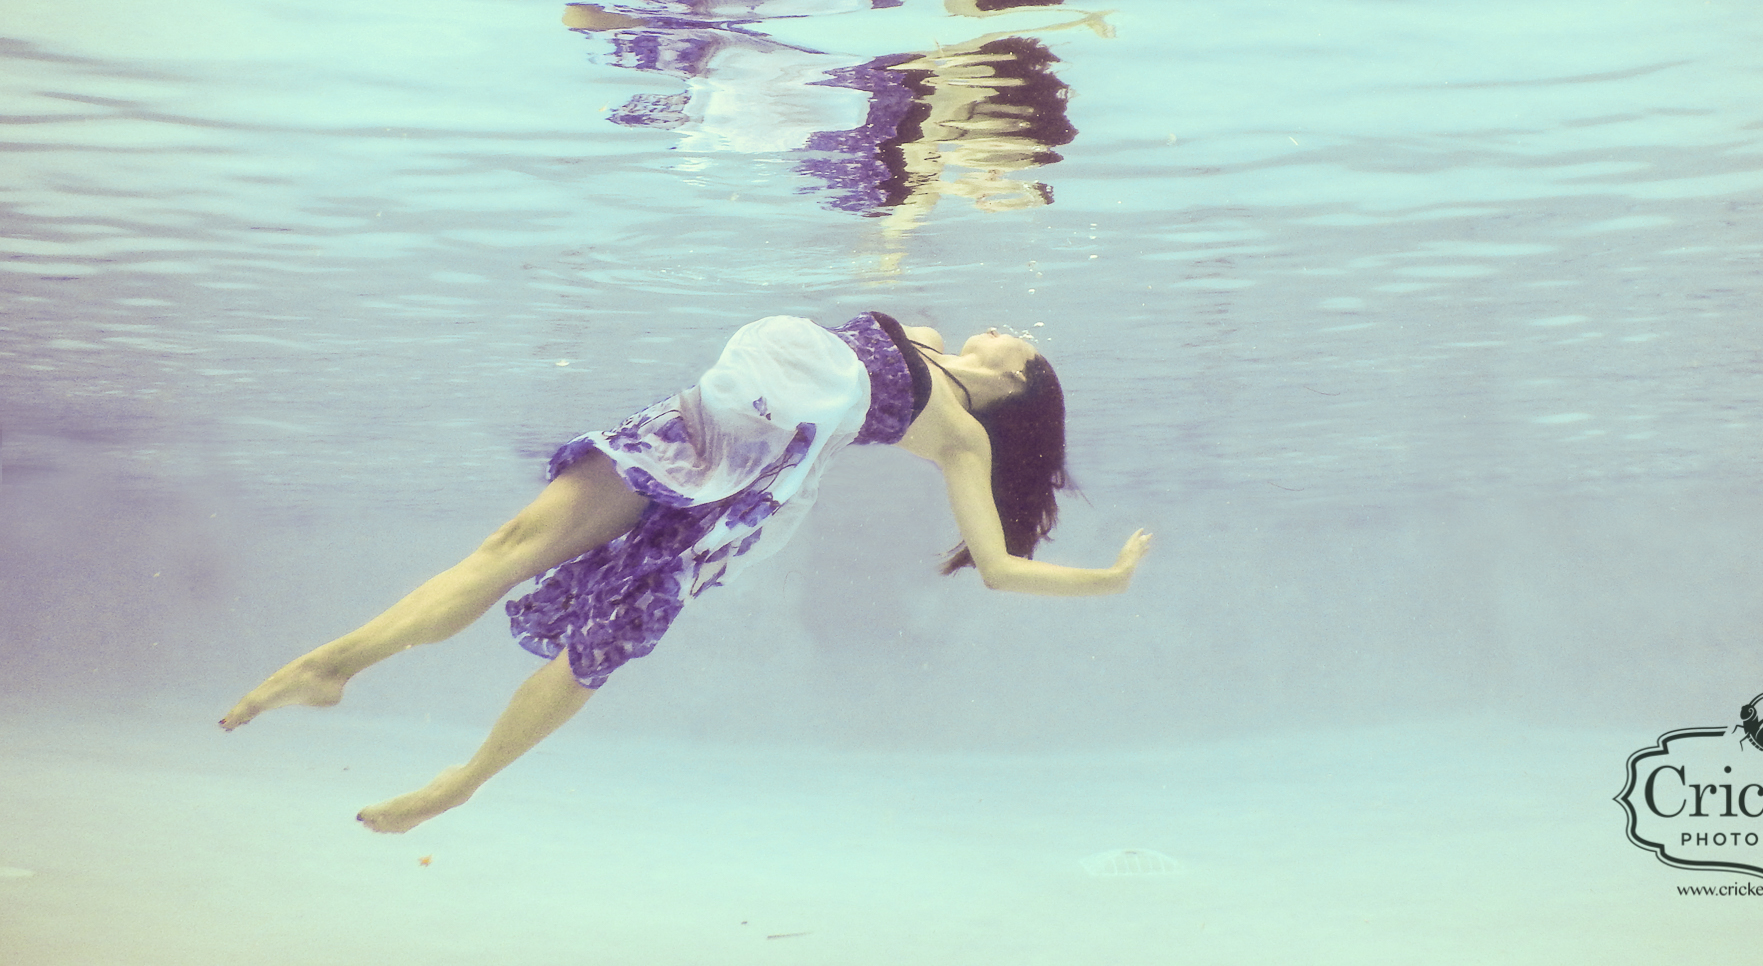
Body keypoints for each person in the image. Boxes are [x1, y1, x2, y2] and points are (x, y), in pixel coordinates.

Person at [218, 313, 1153, 833]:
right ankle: (336, 665)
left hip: (750, 475)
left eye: (1024, 337)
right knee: (511, 546)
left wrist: (1102, 582)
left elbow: (996, 567)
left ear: (1026, 376)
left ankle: (464, 779)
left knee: (598, 649)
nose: (1007, 326)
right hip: (701, 422)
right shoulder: (924, 330)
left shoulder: (959, 436)